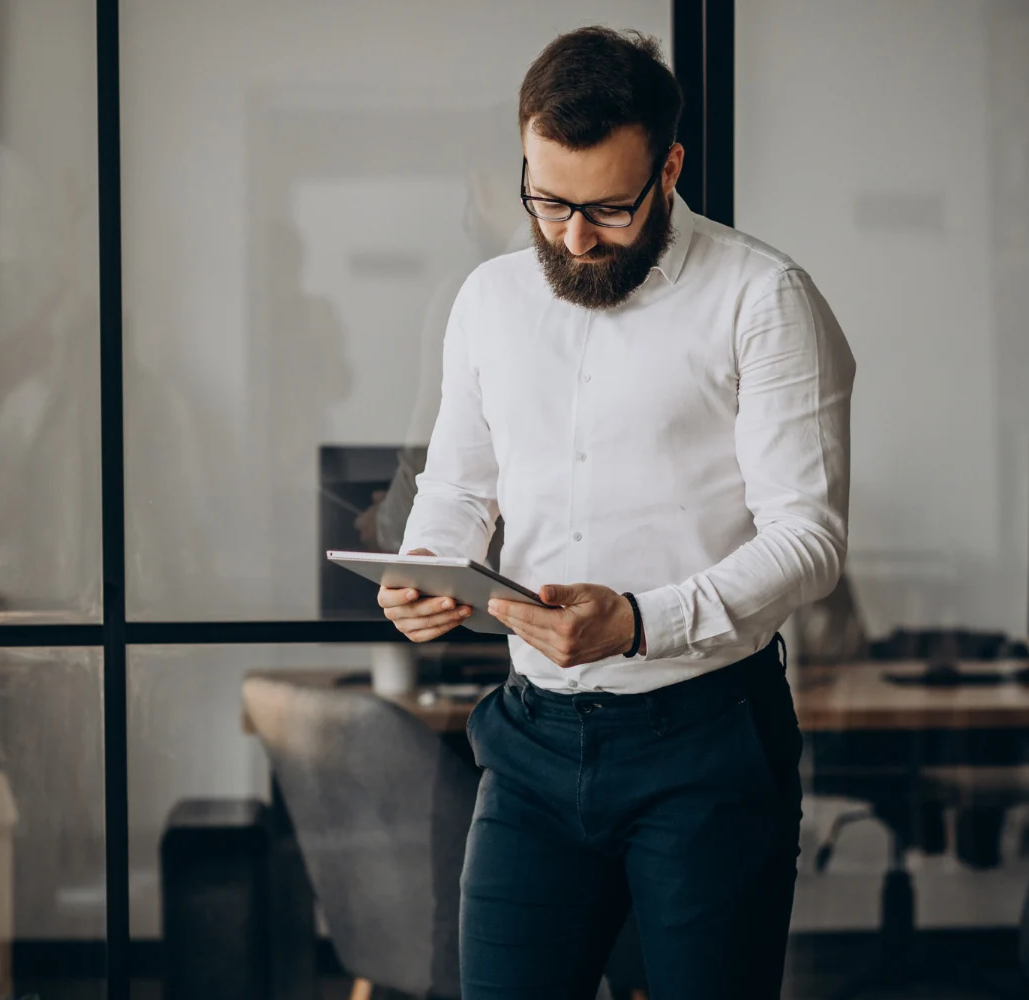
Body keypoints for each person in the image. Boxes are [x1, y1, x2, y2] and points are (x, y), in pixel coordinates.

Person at [377, 26, 855, 1000]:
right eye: (546, 201)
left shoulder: (762, 298)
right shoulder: (489, 301)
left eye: (607, 207)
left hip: (708, 740)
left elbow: (808, 540)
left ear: (669, 167)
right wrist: (429, 565)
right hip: (532, 743)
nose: (574, 237)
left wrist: (638, 620)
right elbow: (462, 486)